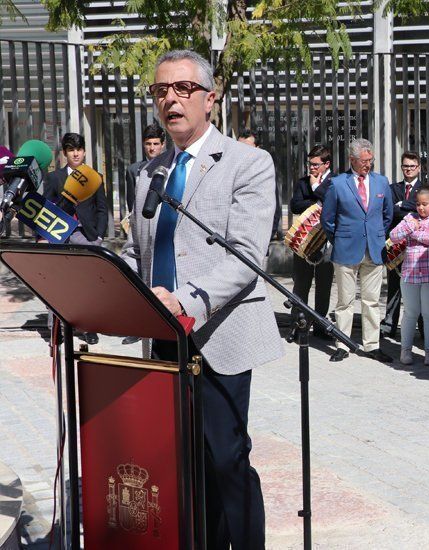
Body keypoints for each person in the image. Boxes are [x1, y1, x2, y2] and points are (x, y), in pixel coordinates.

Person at [121, 49, 283, 550]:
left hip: (218, 335)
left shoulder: (248, 163)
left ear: (211, 99)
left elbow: (246, 256)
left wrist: (188, 299)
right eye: (160, 91)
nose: (170, 99)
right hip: (163, 336)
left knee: (226, 458)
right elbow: (136, 250)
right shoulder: (148, 172)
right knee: (182, 461)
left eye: (183, 88)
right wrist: (114, 289)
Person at [322, 138, 394, 363]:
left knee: (371, 300)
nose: (368, 165)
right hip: (345, 249)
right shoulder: (338, 183)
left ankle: (372, 345)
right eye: (364, 161)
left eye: (370, 160)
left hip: (374, 249)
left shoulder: (382, 182)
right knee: (345, 301)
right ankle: (342, 343)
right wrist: (342, 238)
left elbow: (387, 215)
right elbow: (328, 219)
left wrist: (376, 235)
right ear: (352, 159)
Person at [44, 132, 109, 345]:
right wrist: (43, 237)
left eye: (79, 149)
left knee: (88, 284)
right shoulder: (54, 178)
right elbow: (46, 209)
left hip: (87, 236)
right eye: (71, 150)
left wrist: (99, 235)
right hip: (60, 236)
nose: (76, 154)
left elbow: (102, 208)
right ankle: (57, 328)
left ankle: (89, 327)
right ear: (64, 153)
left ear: (84, 151)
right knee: (59, 283)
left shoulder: (94, 176)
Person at [389, 185, 429, 366]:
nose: (421, 208)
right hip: (410, 273)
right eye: (418, 204)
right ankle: (405, 350)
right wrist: (410, 228)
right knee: (410, 313)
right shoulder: (410, 217)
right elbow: (393, 235)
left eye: (425, 204)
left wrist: (412, 232)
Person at [289, 144, 336, 338]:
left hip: (326, 241)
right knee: (301, 284)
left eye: (316, 164)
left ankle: (319, 325)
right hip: (304, 240)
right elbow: (294, 205)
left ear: (327, 164)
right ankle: (298, 325)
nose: (312, 168)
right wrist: (316, 203)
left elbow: (335, 202)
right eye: (310, 164)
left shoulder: (336, 182)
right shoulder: (302, 182)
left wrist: (316, 188)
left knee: (323, 285)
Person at [382, 151, 424, 338]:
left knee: (421, 290)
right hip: (395, 245)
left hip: (417, 247)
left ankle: (424, 328)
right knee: (394, 286)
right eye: (405, 166)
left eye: (412, 166)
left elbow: (423, 212)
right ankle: (389, 324)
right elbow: (390, 211)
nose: (408, 169)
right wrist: (408, 206)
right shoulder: (392, 189)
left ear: (419, 168)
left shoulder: (426, 189)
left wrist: (402, 205)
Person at [238, 129, 282, 240]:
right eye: (238, 146)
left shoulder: (264, 172)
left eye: (247, 147)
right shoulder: (229, 170)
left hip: (257, 239)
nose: (242, 150)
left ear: (257, 148)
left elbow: (274, 208)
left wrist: (267, 238)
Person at [125, 122, 165, 213]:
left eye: (156, 144)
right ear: (143, 144)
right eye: (148, 144)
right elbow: (132, 203)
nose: (152, 148)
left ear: (162, 145)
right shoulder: (133, 170)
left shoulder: (171, 167)